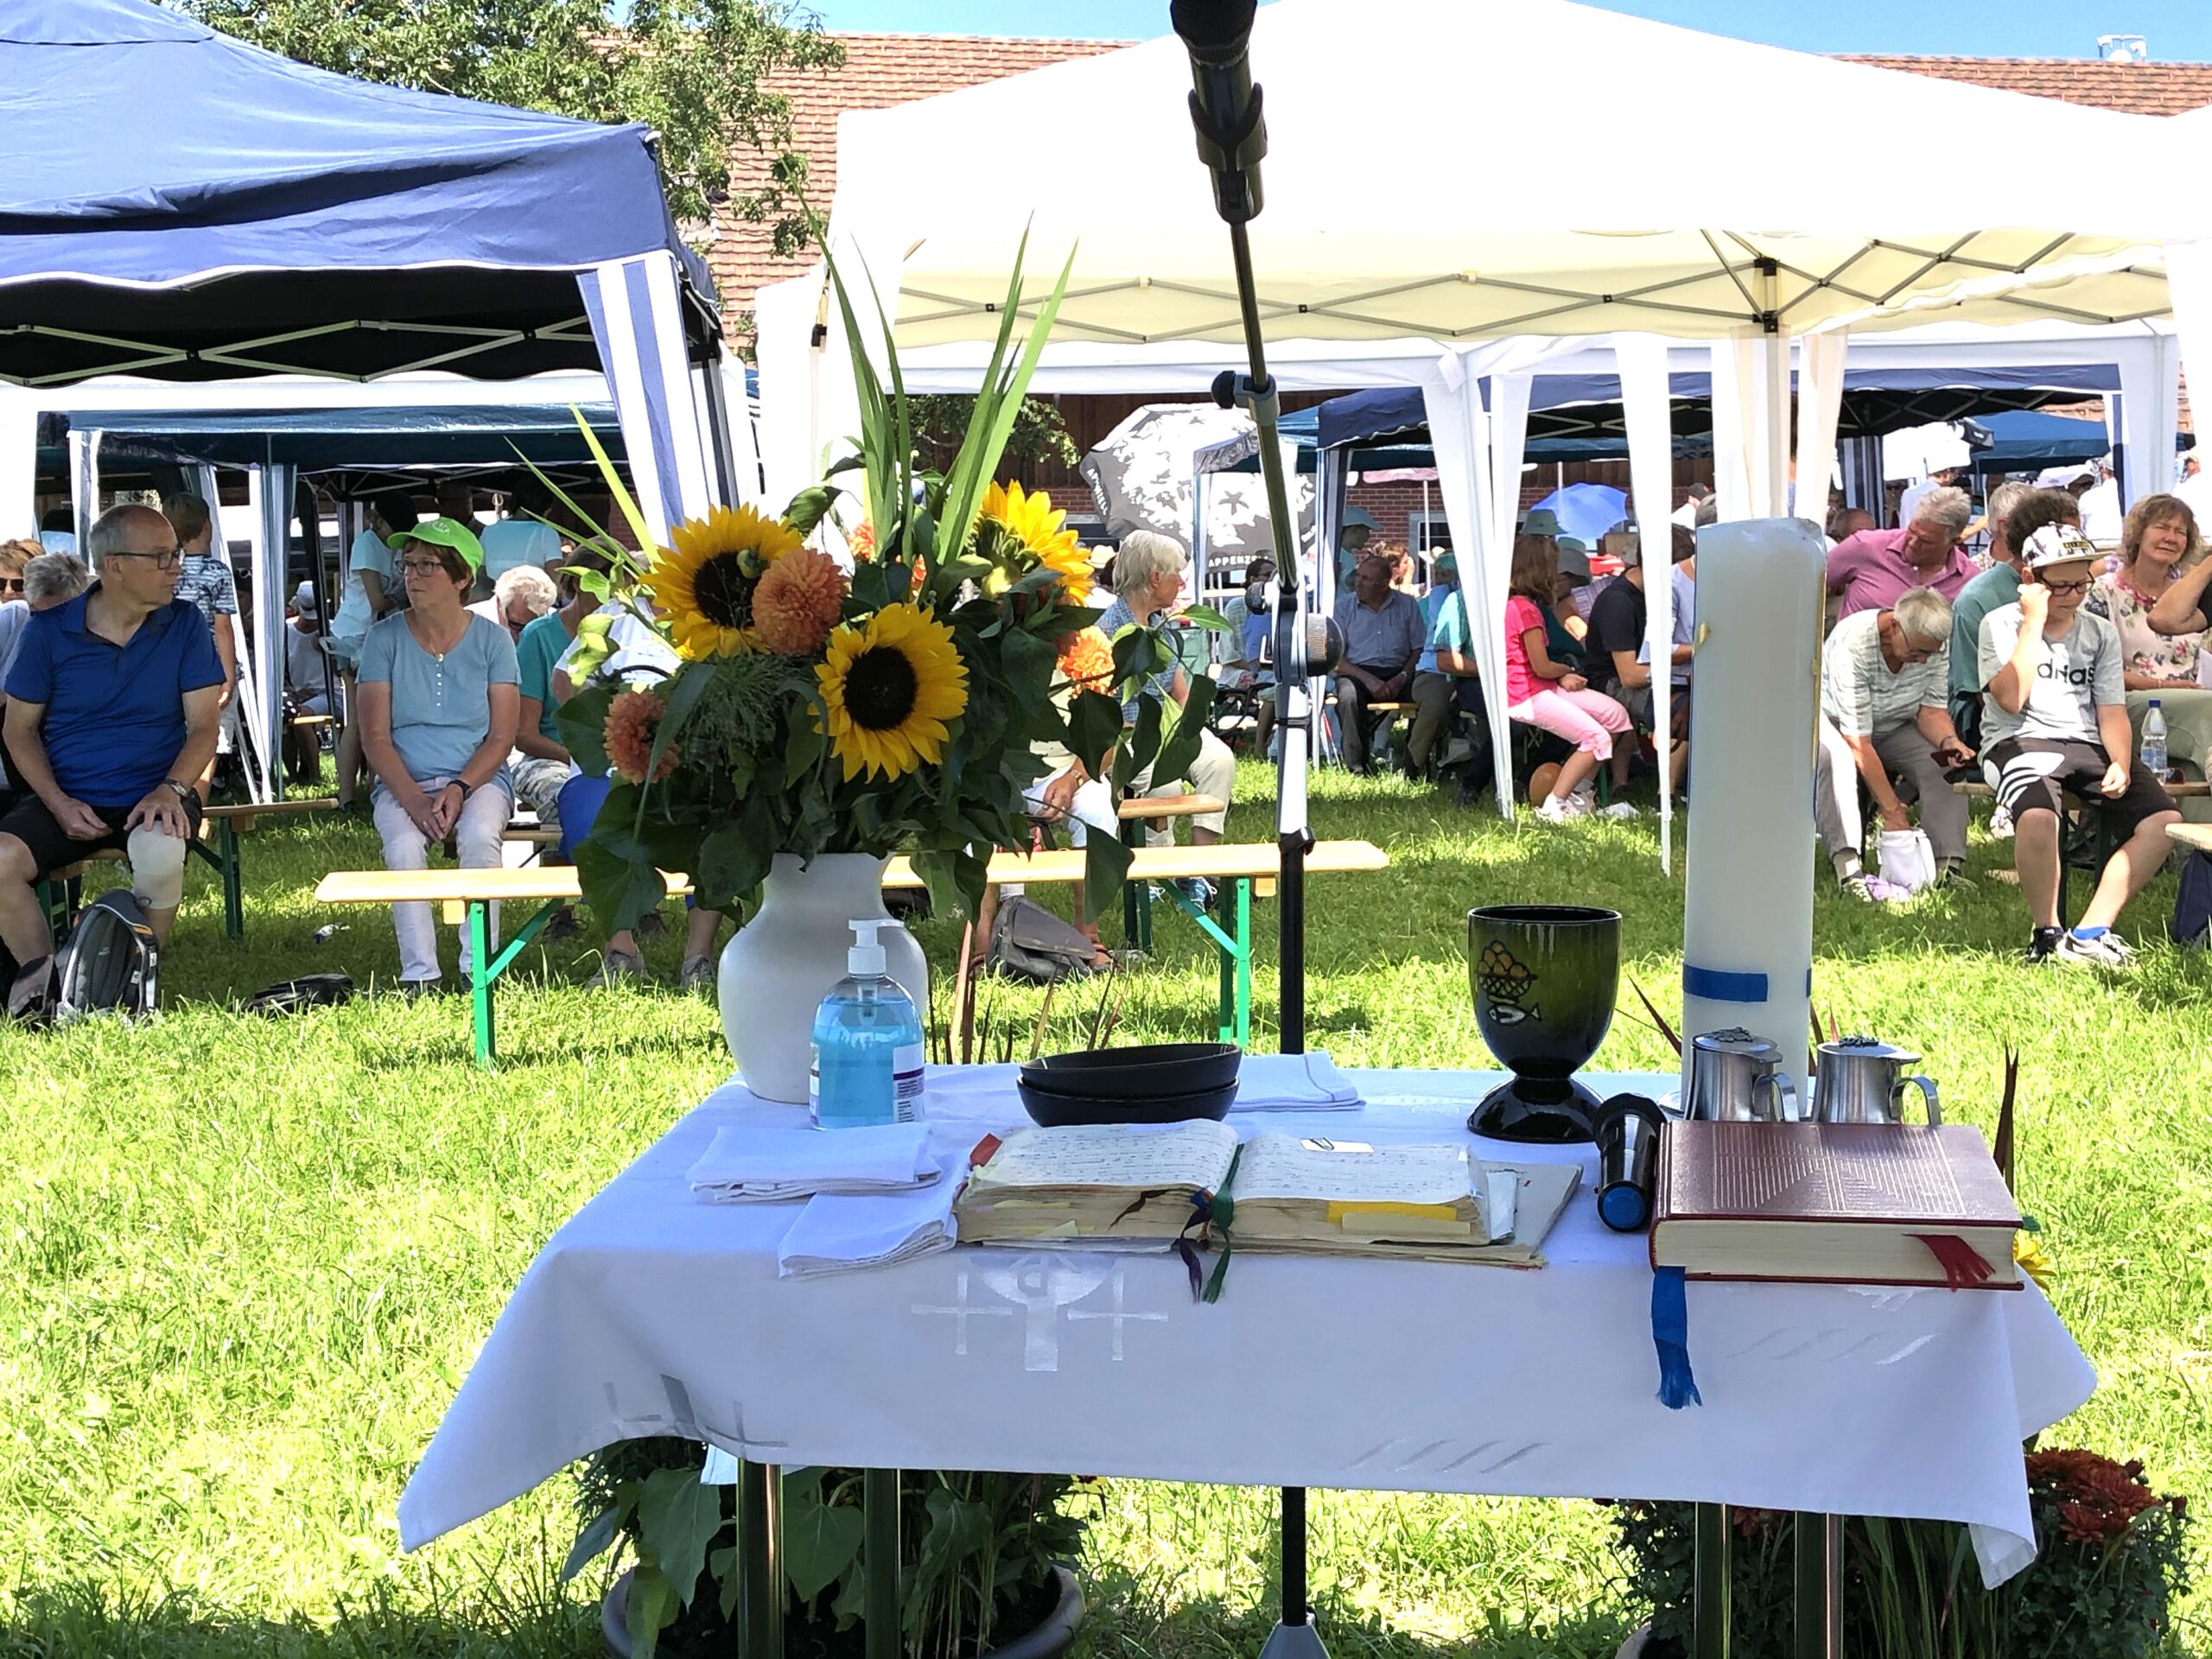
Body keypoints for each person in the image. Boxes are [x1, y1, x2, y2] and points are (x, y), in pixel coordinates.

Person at [0, 505, 224, 1017]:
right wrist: (56, 802)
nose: (177, 566)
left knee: (160, 849)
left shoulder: (185, 622)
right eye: (163, 557)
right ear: (115, 565)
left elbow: (205, 728)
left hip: (156, 790)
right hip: (68, 796)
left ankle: (132, 989)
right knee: (0, 861)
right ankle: (52, 991)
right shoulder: (48, 632)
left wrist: (171, 789)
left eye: (177, 554)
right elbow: (18, 731)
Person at [1979, 524, 2179, 968]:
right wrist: (2032, 622)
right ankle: (2046, 933)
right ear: (2031, 581)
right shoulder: (2000, 624)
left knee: (2164, 820)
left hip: (2086, 740)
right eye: (2060, 585)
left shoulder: (2100, 632)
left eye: (2081, 582)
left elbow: (2110, 711)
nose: (2072, 595)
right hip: (2018, 737)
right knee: (2036, 814)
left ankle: (2090, 932)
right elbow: (2012, 699)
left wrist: (2122, 763)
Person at [355, 517, 518, 995]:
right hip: (402, 780)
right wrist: (415, 800)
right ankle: (419, 975)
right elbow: (375, 739)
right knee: (404, 846)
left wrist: (459, 788)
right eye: (408, 565)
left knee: (482, 833)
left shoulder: (494, 641)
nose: (413, 575)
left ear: (463, 577)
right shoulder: (382, 639)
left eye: (429, 565)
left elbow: (501, 737)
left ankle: (479, 969)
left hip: (479, 778)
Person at [1815, 586, 1974, 899]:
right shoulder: (1855, 643)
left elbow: (1931, 710)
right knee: (1837, 762)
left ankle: (1945, 868)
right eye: (1916, 652)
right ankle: (1849, 871)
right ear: (1893, 626)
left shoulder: (1935, 646)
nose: (1922, 660)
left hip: (1895, 722)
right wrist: (1892, 809)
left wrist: (1948, 740)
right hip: (1835, 722)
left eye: (1929, 653)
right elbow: (1858, 742)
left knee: (1943, 766)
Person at [1096, 531, 1237, 858]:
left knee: (1219, 760)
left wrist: (1186, 737)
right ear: (1155, 578)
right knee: (1166, 785)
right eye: (1178, 575)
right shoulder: (1107, 632)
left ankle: (1202, 866)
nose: (1182, 585)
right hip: (1122, 737)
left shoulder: (1161, 627)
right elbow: (1102, 708)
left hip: (1161, 730)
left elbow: (1181, 694)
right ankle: (1161, 874)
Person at [1503, 533, 1636, 823]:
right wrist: (1566, 672)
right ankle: (1555, 803)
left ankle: (1578, 795)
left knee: (1615, 716)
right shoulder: (1525, 610)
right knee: (1596, 736)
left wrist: (1560, 675)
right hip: (1527, 695)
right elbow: (1541, 666)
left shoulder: (1519, 605)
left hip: (1539, 687)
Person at [2086, 493, 2212, 793]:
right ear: (2138, 532)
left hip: (2194, 703)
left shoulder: (2190, 599)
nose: (2171, 537)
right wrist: (2162, 687)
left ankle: (2189, 837)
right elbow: (2097, 672)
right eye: (2162, 527)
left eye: (2180, 532)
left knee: (2196, 757)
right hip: (2129, 705)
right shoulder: (2104, 592)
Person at [1948, 486, 2078, 752]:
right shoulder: (1978, 599)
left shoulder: (2078, 586)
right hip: (2000, 724)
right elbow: (1983, 697)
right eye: (2066, 538)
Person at [1585, 523, 1694, 792]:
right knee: (1685, 709)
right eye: (1680, 570)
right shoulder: (1617, 604)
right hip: (1613, 684)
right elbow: (1630, 676)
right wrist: (1690, 654)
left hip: (1654, 678)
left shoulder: (1657, 595)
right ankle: (1666, 793)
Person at [328, 492, 416, 811]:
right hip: (354, 639)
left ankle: (376, 791)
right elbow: (378, 601)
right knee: (359, 721)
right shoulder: (367, 543)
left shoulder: (393, 544)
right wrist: (404, 598)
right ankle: (347, 796)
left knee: (381, 720)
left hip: (378, 637)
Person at [161, 493, 240, 801]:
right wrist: (229, 673)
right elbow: (223, 627)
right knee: (209, 740)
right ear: (208, 526)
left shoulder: (165, 572)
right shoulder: (217, 571)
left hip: (169, 665)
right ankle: (198, 809)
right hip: (208, 665)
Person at [1328, 549, 1426, 777]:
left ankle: (1414, 765)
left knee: (1428, 694)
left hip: (1400, 672)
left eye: (1365, 579)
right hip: (1356, 672)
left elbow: (1419, 648)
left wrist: (1402, 676)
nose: (1357, 583)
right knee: (1348, 695)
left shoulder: (1407, 605)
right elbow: (1335, 658)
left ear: (1384, 584)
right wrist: (1368, 680)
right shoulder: (1343, 607)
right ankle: (1357, 768)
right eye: (1359, 576)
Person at [1827, 487, 1976, 620]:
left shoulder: (1970, 581)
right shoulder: (1865, 545)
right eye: (1911, 531)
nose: (1912, 543)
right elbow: (1809, 583)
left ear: (1955, 541)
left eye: (1926, 541)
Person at [1408, 551, 1480, 779]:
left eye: (1445, 573)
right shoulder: (1441, 597)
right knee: (1436, 704)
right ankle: (1413, 763)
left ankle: (1475, 762)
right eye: (1437, 572)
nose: (1440, 578)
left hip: (1465, 669)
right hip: (1433, 670)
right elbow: (1446, 632)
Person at [282, 582, 330, 789]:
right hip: (297, 693)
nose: (313, 624)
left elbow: (343, 672)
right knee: (285, 715)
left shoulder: (332, 628)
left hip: (329, 692)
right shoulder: (285, 630)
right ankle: (292, 776)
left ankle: (315, 775)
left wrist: (328, 652)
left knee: (301, 717)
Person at [479, 484, 562, 583]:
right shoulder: (546, 533)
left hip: (493, 596)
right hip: (532, 596)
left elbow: (480, 573)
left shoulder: (489, 531)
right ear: (545, 508)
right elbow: (555, 577)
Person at [470, 564, 558, 645]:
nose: (528, 633)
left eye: (536, 626)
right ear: (500, 606)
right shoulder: (469, 626)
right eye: (518, 626)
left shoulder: (555, 621)